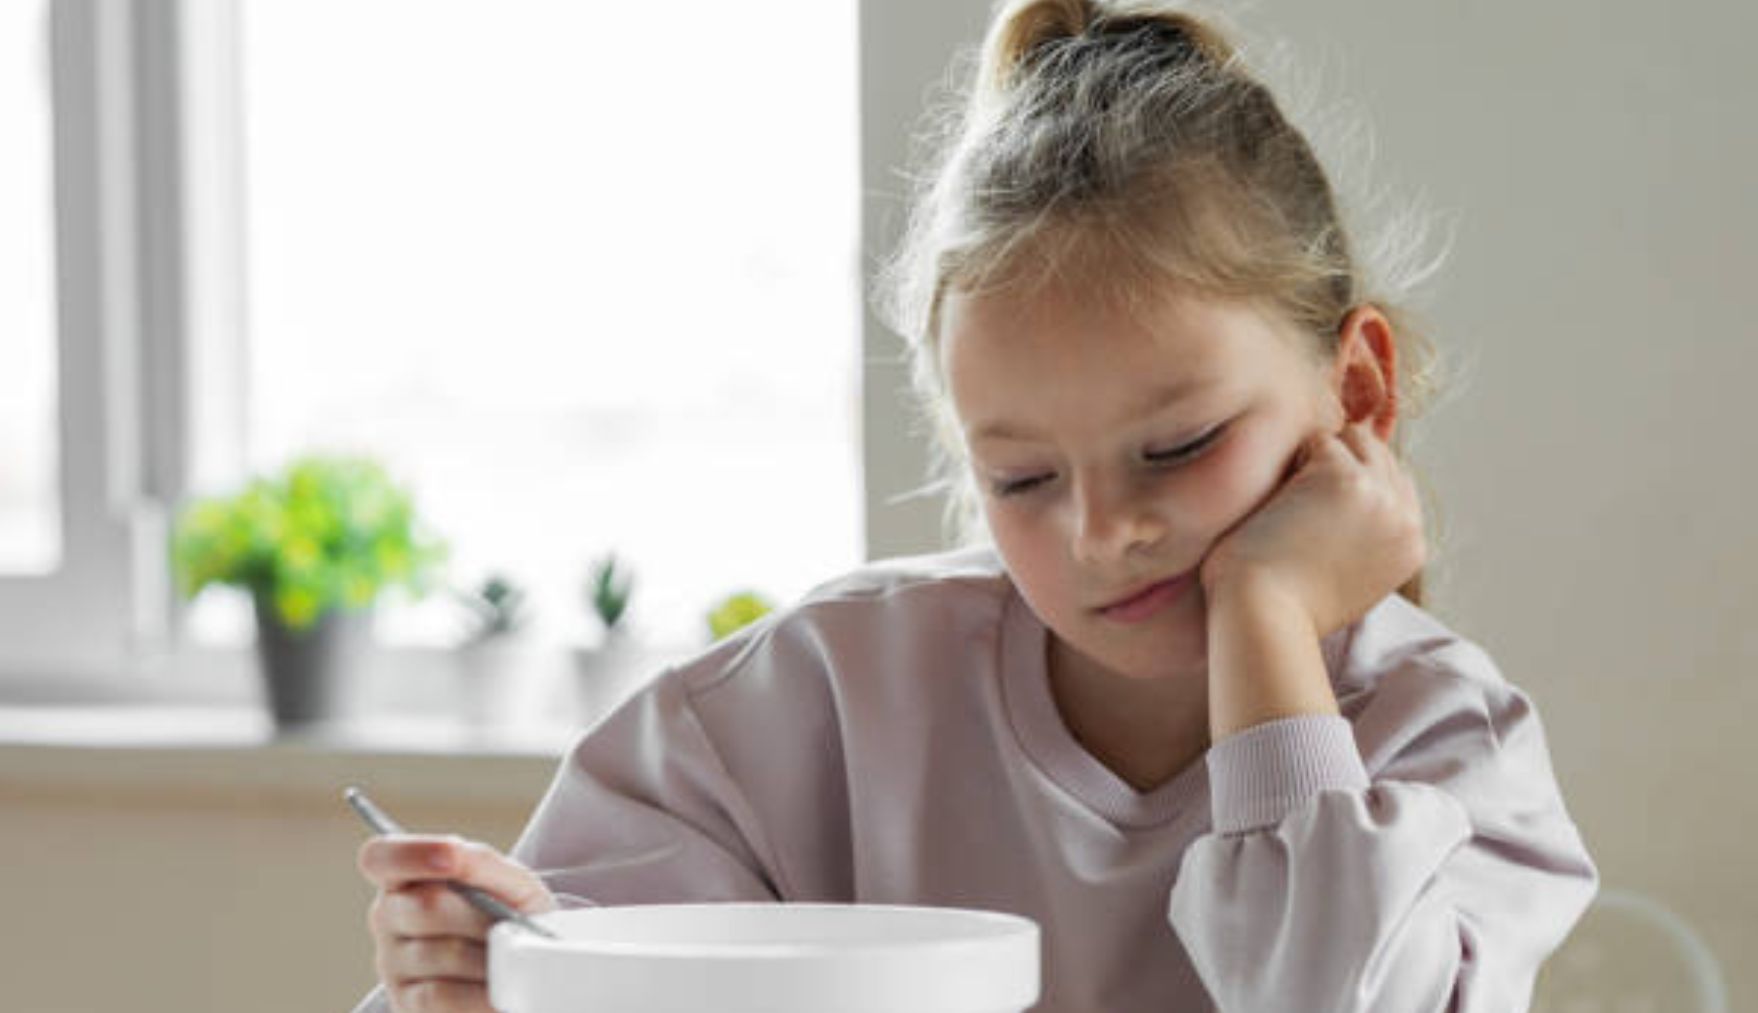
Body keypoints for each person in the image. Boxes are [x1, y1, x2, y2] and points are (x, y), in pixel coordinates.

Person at [351, 1, 1598, 1010]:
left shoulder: (1445, 740)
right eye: (1024, 478)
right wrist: (487, 980)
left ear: (1358, 384)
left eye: (1179, 445)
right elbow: (591, 964)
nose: (1103, 531)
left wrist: (1264, 613)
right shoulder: (811, 701)